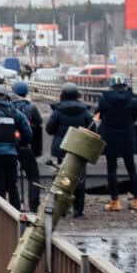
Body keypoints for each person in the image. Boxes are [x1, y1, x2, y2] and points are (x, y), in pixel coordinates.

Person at [45, 84, 95, 217]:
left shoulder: (58, 111)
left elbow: (49, 129)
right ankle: (78, 211)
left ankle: (62, 210)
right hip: (79, 149)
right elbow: (93, 129)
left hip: (62, 149)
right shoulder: (84, 112)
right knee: (79, 179)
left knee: (63, 179)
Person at [96, 74, 137, 211]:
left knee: (112, 169)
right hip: (127, 137)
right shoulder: (133, 100)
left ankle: (115, 202)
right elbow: (136, 116)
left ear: (111, 86)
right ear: (125, 85)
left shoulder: (104, 99)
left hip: (110, 138)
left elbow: (100, 113)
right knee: (131, 168)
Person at [10, 80, 46, 213]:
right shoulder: (31, 107)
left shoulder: (9, 107)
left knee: (11, 177)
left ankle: (14, 205)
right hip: (26, 147)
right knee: (33, 176)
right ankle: (33, 205)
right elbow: (39, 123)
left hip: (11, 147)